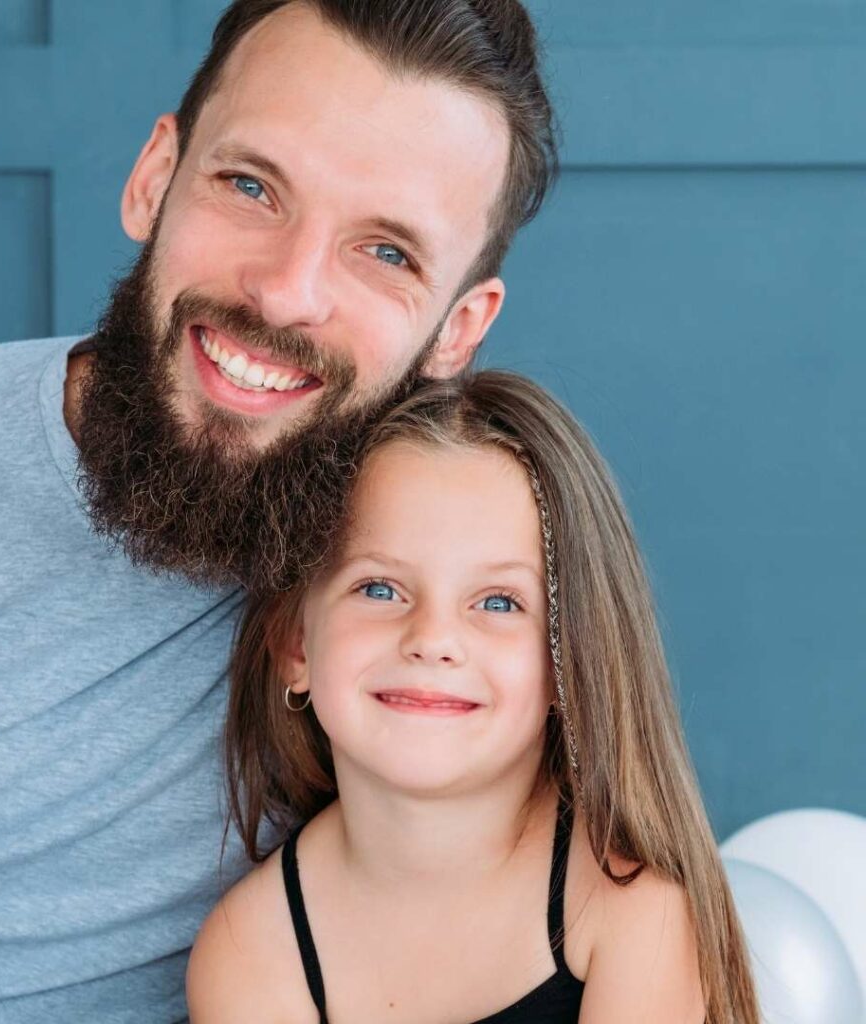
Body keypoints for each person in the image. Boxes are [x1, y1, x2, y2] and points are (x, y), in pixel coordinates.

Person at [0, 1, 557, 1020]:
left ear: (457, 329)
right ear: (153, 178)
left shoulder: (446, 582)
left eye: (387, 252)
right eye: (251, 186)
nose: (284, 292)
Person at [186, 372, 761, 1024]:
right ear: (296, 645)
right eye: (379, 588)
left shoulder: (630, 909)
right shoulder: (252, 953)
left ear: (568, 660)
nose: (433, 639)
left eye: (497, 602)